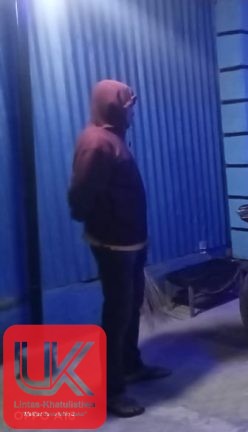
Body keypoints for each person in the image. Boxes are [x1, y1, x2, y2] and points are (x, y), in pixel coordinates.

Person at [68, 80, 170, 418]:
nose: (132, 113)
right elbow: (80, 197)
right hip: (114, 245)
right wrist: (105, 223)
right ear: (113, 108)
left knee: (130, 307)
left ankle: (130, 364)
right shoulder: (97, 143)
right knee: (117, 314)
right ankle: (111, 391)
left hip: (130, 243)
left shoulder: (113, 138)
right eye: (128, 107)